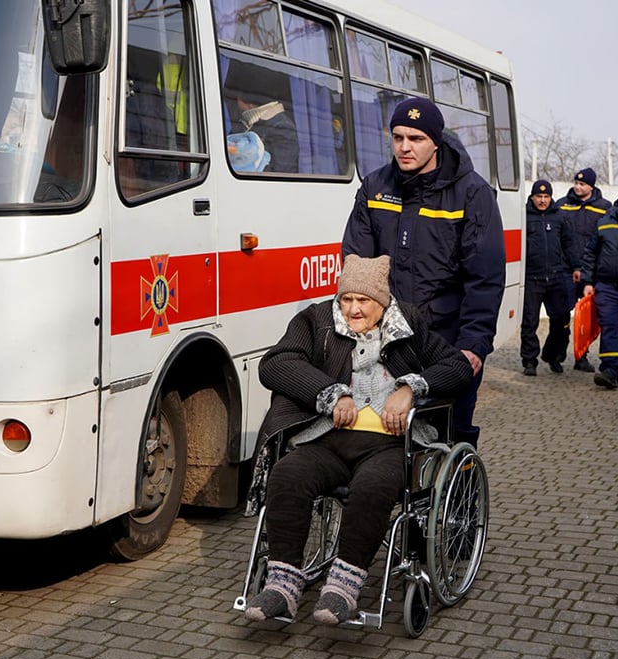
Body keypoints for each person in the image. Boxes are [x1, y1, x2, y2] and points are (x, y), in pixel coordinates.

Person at [243, 254, 473, 625]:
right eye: (346, 299)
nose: (352, 309)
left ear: (381, 302)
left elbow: (457, 366)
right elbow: (277, 363)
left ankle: (342, 590)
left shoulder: (410, 324)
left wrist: (411, 387)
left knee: (373, 487)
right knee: (287, 476)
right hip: (327, 437)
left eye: (363, 301)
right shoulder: (316, 320)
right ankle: (282, 585)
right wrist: (331, 393)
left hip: (390, 444)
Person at [342, 97, 505, 446]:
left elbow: (484, 279)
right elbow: (358, 267)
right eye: (398, 137)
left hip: (448, 342)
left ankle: (459, 493)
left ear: (435, 141)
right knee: (380, 436)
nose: (404, 147)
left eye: (415, 139)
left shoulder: (472, 194)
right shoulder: (375, 188)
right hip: (388, 341)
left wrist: (473, 347)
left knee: (448, 435)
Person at [580, 188, 618, 389]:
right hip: (606, 286)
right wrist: (587, 282)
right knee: (609, 327)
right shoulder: (604, 223)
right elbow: (590, 254)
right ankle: (609, 370)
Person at [520, 179, 578, 375]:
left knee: (561, 320)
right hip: (532, 278)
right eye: (539, 196)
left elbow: (569, 244)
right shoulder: (524, 216)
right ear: (532, 197)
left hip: (556, 277)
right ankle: (529, 360)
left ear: (551, 197)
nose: (542, 200)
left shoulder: (560, 217)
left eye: (546, 197)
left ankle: (553, 355)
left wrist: (577, 267)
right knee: (530, 322)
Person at [559, 167, 611, 372]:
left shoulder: (604, 207)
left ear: (591, 186)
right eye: (576, 183)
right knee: (561, 314)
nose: (577, 187)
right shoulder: (562, 205)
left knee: (588, 317)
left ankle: (582, 356)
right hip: (565, 268)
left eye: (582, 184)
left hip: (591, 271)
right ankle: (558, 352)